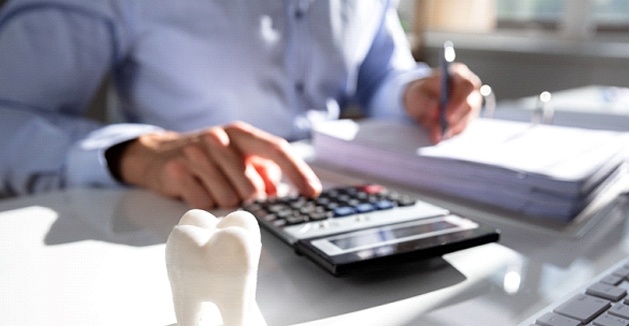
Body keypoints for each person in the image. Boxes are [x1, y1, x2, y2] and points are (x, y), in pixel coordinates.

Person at [0, 0, 482, 209]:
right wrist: (133, 152)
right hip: (176, 218)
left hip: (340, 204)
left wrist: (412, 94)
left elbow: (378, 74)